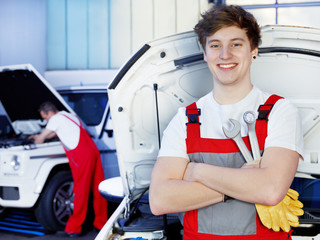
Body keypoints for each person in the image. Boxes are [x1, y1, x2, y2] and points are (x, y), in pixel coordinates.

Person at [149, 4, 304, 240]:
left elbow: (271, 190)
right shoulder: (186, 119)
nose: (225, 55)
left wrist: (196, 170)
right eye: (215, 45)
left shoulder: (279, 112)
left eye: (236, 44)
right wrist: (246, 183)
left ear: (254, 50)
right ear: (205, 54)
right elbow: (160, 200)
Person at [30, 102, 107, 237]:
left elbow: (42, 138)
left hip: (82, 155)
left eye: (45, 117)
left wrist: (34, 141)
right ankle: (101, 224)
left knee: (80, 190)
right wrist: (41, 136)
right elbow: (54, 133)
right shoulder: (67, 115)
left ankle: (74, 228)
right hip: (93, 151)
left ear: (48, 113)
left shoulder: (55, 119)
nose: (45, 120)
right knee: (97, 189)